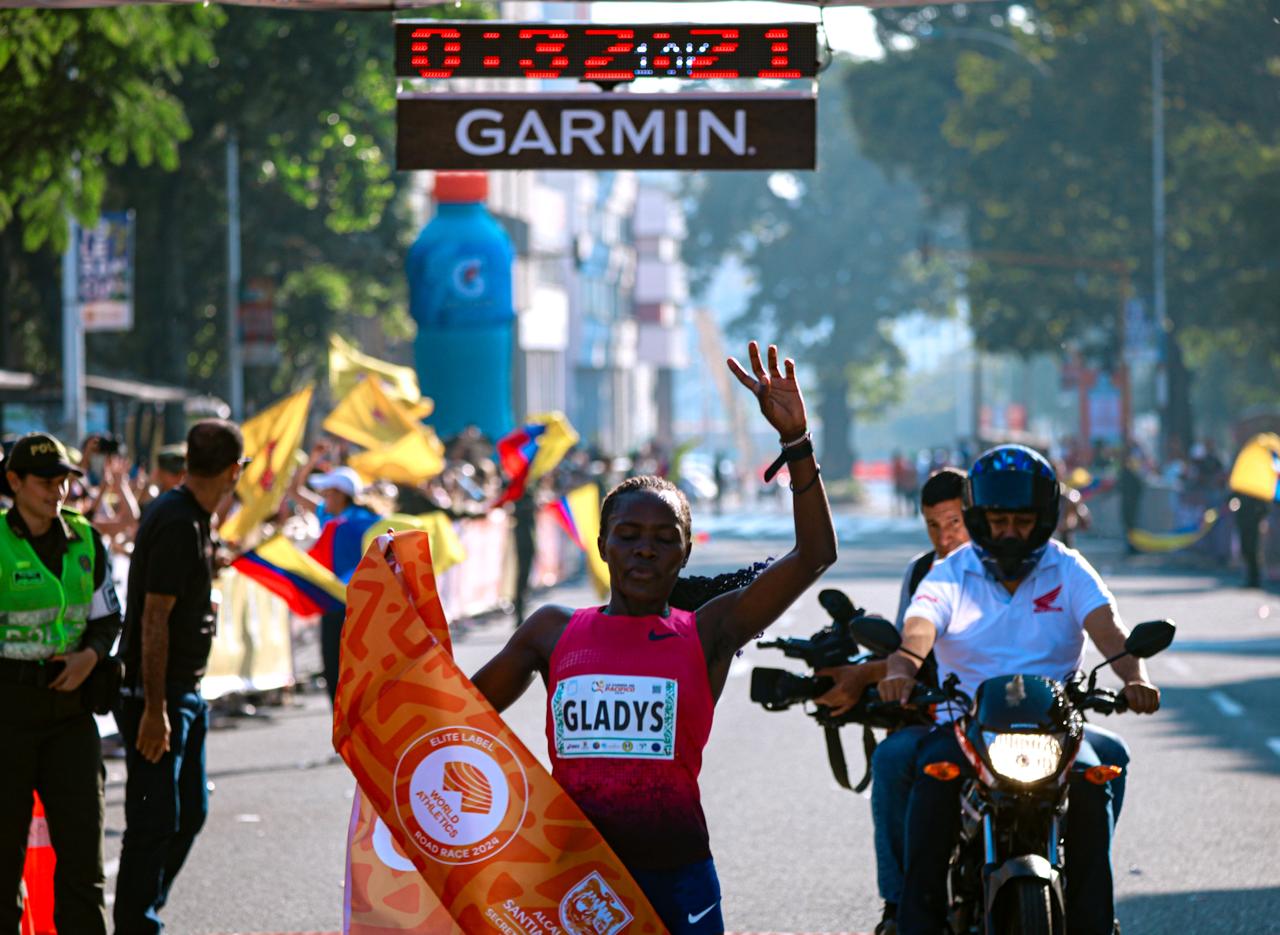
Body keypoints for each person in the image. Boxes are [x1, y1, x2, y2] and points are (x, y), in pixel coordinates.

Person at [471, 342, 837, 934]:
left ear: (685, 552)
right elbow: (458, 717)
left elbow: (815, 555)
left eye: (664, 538)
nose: (645, 547)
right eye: (629, 534)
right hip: (573, 877)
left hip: (677, 876)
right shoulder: (551, 631)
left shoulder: (709, 630)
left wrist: (796, 442)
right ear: (602, 545)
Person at [879, 445, 1161, 935]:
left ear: (1045, 518)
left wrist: (1135, 680)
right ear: (978, 517)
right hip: (965, 729)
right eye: (998, 518)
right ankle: (914, 922)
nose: (1010, 530)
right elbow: (918, 633)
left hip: (1058, 734)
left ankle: (1095, 922)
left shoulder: (1069, 569)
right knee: (931, 778)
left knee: (1101, 776)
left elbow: (1111, 631)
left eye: (1023, 520)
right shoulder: (949, 574)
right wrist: (902, 668)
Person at [113, 419, 247, 935]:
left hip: (183, 693)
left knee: (190, 811)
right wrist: (153, 708)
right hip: (159, 696)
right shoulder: (176, 520)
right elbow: (153, 617)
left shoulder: (193, 516)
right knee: (154, 822)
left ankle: (144, 907)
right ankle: (135, 923)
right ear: (233, 470)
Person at [0, 433, 123, 933]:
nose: (59, 491)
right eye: (47, 481)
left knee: (82, 870)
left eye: (65, 481)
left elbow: (108, 616)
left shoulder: (85, 538)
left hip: (71, 719)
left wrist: (90, 656)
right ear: (14, 482)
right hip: (7, 717)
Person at [285, 443, 381, 704]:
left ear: (341, 494)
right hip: (333, 601)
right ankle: (341, 724)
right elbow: (294, 490)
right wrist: (313, 459)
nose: (324, 496)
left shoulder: (370, 521)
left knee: (360, 666)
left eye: (328, 491)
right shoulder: (327, 514)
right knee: (332, 667)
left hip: (361, 604)